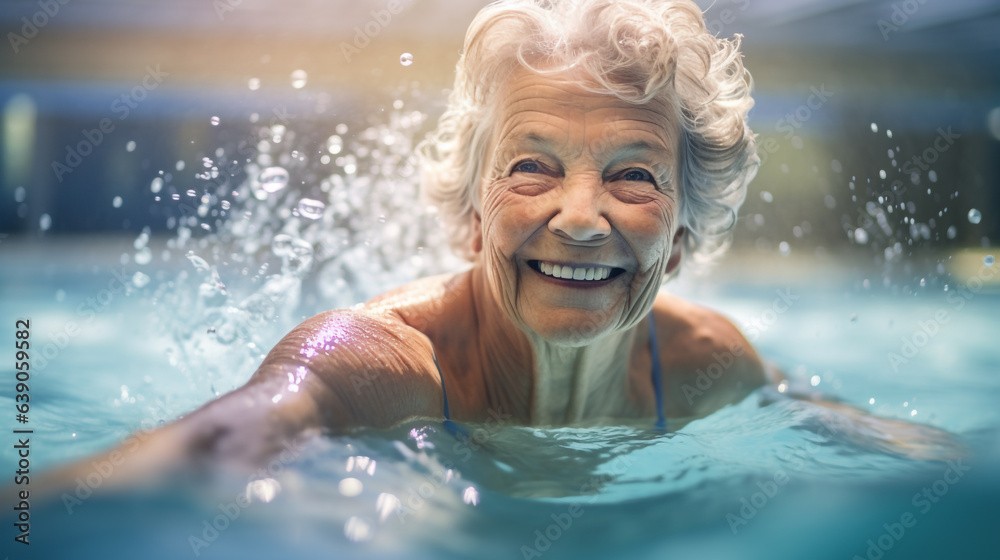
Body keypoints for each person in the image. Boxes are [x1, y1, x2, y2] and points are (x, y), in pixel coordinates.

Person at [29, 0, 960, 495]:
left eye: (634, 176)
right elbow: (219, 439)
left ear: (679, 239)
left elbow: (835, 421)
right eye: (533, 167)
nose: (583, 217)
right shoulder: (371, 367)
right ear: (472, 215)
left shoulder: (709, 364)